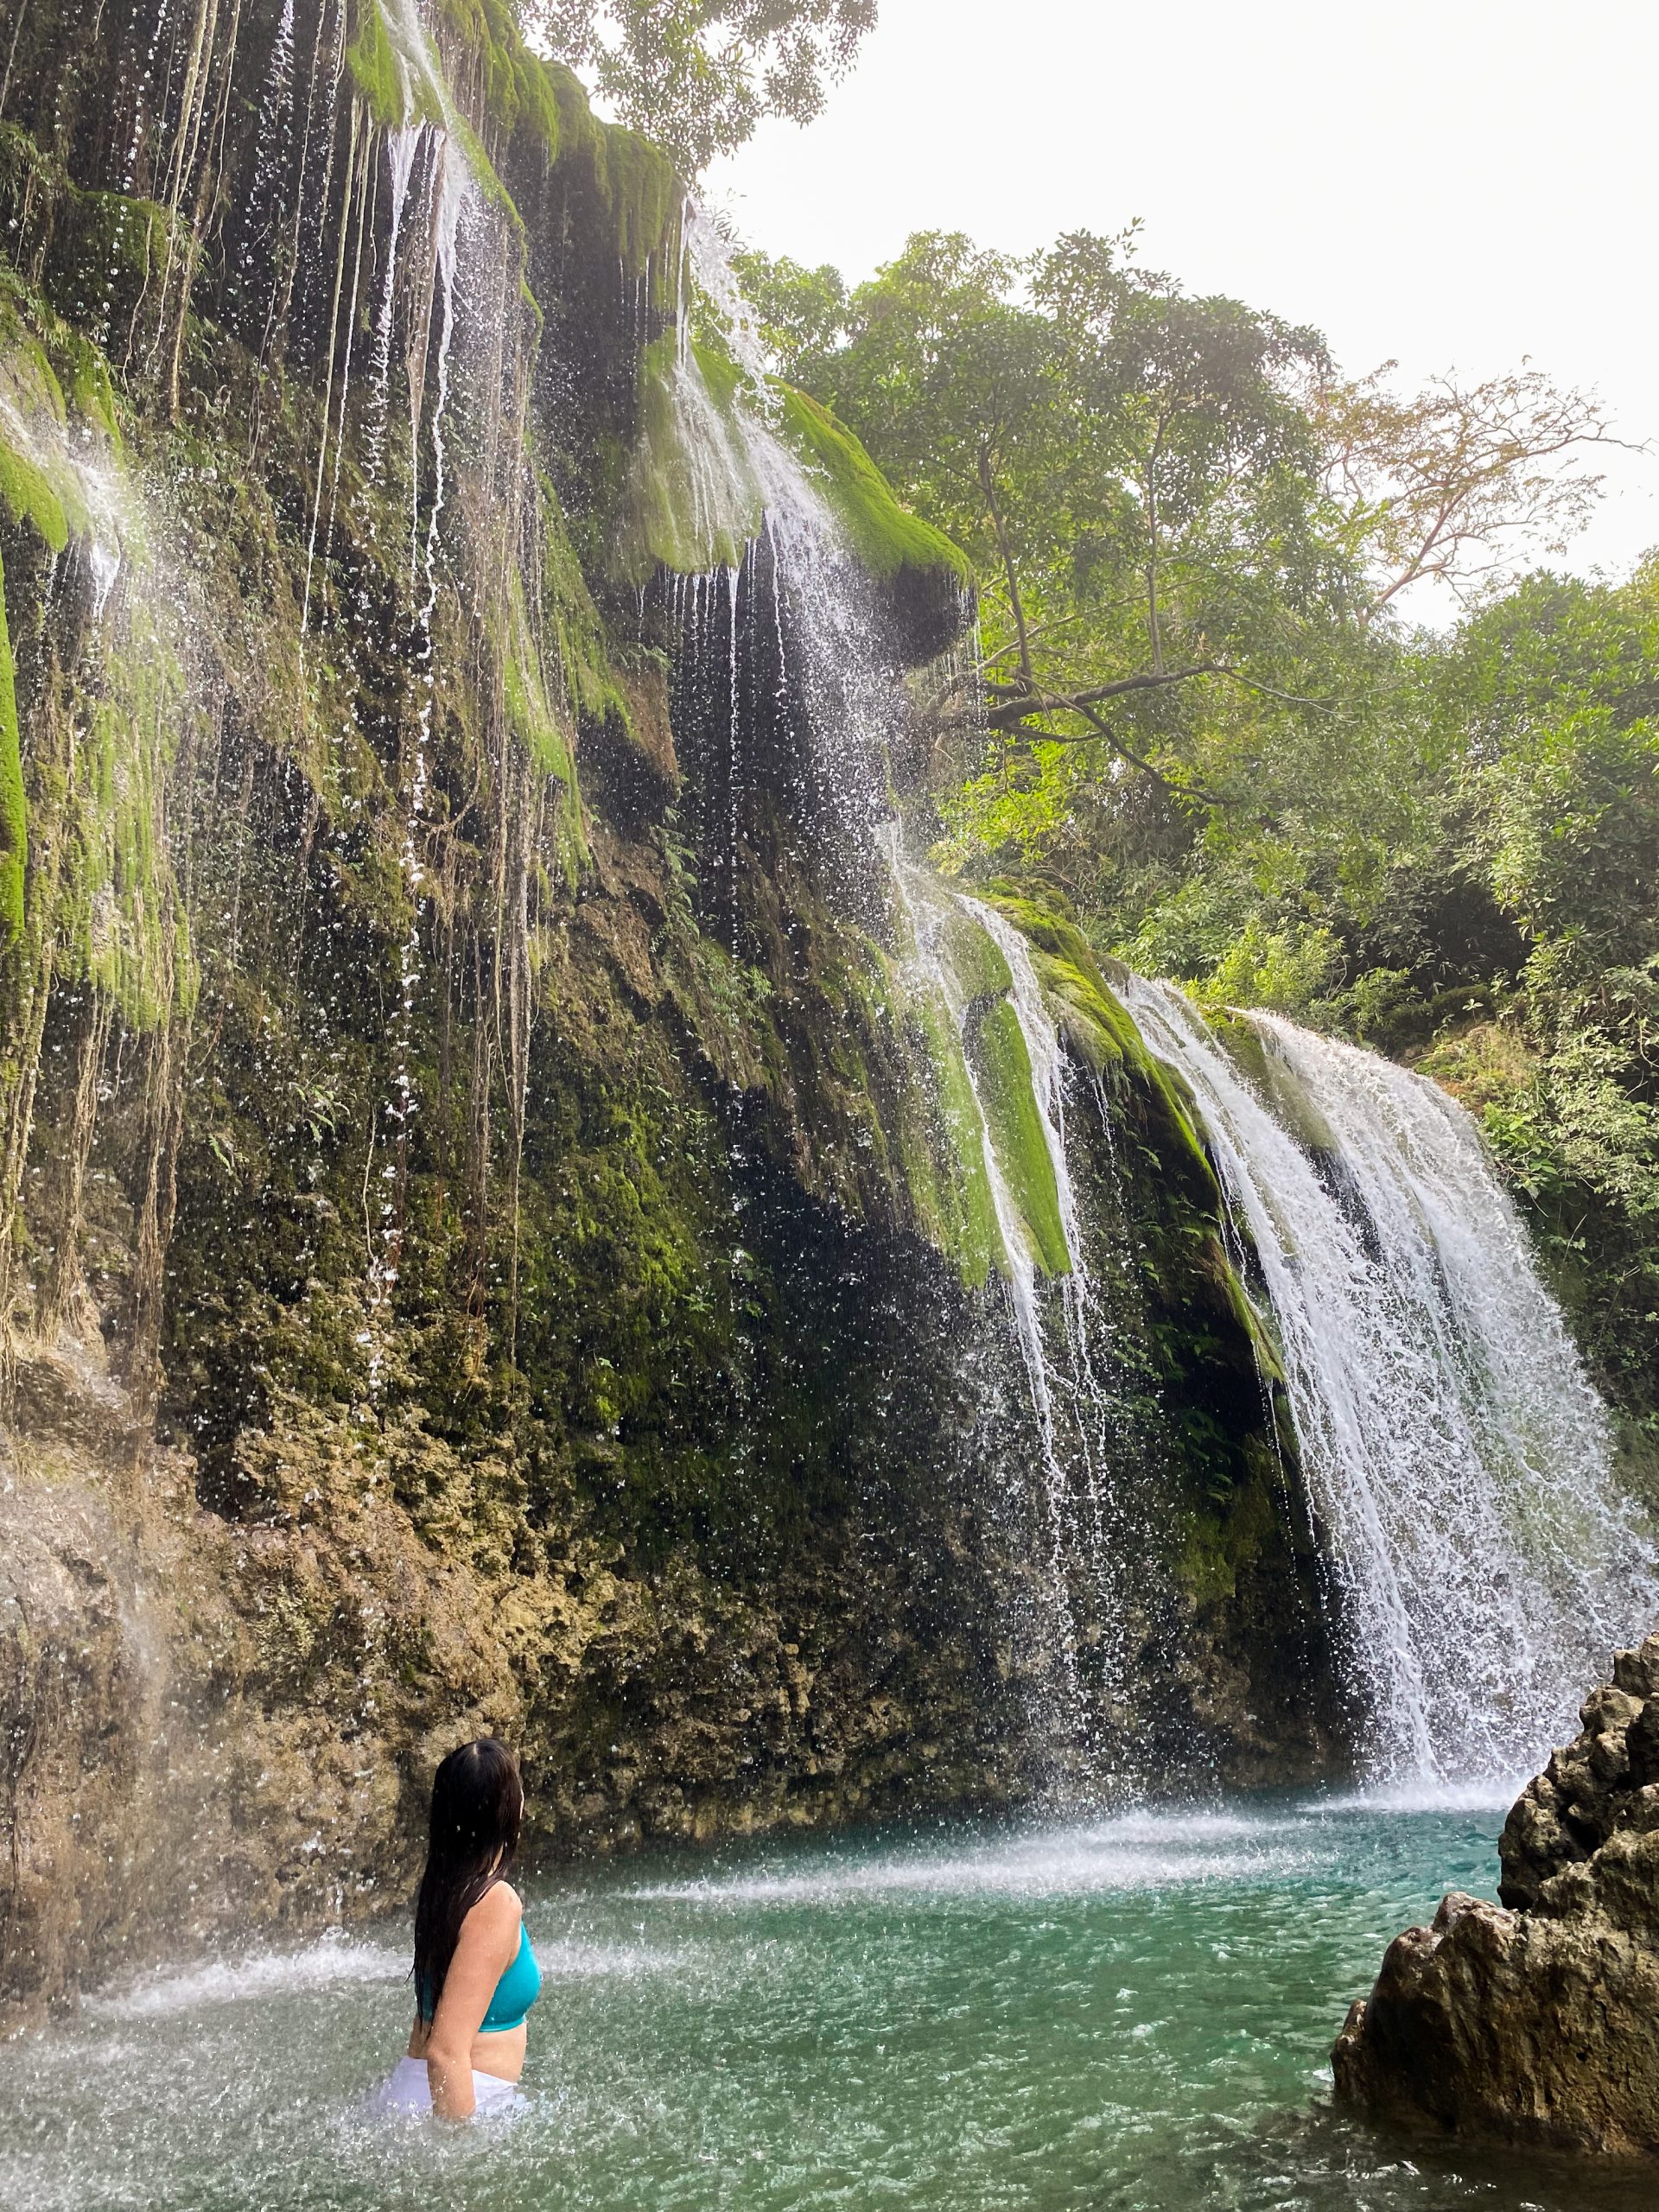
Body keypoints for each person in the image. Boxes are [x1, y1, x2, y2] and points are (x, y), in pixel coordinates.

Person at [372, 1737, 543, 2121]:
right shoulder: (495, 1903)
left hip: (419, 2093)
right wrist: (461, 2159)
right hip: (462, 2096)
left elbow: (426, 2034)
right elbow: (445, 2052)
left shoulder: (445, 1888)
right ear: (508, 1808)